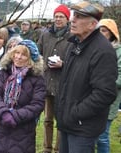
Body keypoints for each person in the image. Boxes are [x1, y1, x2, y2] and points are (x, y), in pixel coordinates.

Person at [55, 2, 118, 153]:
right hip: (67, 123)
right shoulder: (74, 44)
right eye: (73, 15)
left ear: (92, 24)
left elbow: (105, 93)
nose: (72, 20)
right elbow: (67, 81)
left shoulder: (103, 51)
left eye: (78, 17)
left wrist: (75, 113)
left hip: (83, 128)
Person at [0, 39, 46, 153]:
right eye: (16, 53)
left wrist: (15, 116)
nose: (18, 57)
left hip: (23, 132)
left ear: (31, 59)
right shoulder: (4, 73)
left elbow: (37, 104)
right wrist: (4, 112)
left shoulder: (37, 79)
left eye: (24, 55)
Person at [37, 4, 72, 153]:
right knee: (47, 119)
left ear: (67, 19)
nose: (58, 19)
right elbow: (37, 53)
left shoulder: (72, 36)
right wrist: (42, 65)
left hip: (63, 83)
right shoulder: (45, 35)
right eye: (56, 16)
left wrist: (63, 64)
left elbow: (77, 59)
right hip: (47, 81)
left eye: (61, 17)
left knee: (61, 121)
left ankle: (59, 149)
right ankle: (46, 148)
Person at [96, 18, 121, 153]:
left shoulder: (118, 51)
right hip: (93, 99)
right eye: (99, 30)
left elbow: (120, 78)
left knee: (102, 136)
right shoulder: (94, 49)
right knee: (92, 135)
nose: (100, 33)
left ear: (111, 33)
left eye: (104, 31)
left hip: (109, 100)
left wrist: (101, 82)